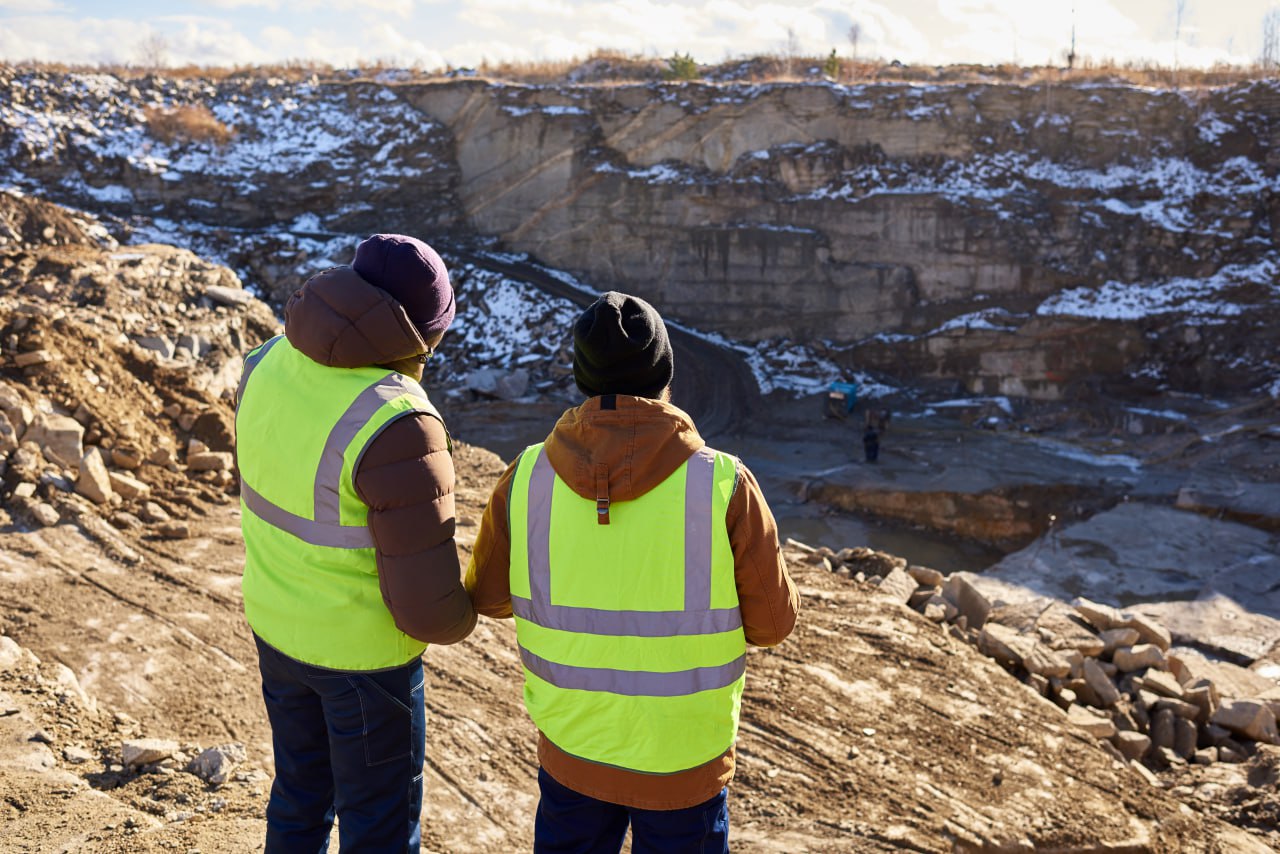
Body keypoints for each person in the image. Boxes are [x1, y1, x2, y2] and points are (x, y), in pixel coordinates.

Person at [465, 291, 799, 853]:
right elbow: (773, 624)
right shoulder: (722, 484)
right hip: (683, 762)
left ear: (581, 377)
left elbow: (489, 598)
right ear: (665, 372)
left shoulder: (526, 478)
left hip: (574, 751)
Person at [235, 233, 476, 852]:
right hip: (363, 663)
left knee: (299, 798)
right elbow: (429, 609)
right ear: (423, 333)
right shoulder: (398, 421)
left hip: (276, 630)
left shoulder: (265, 361)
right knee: (379, 827)